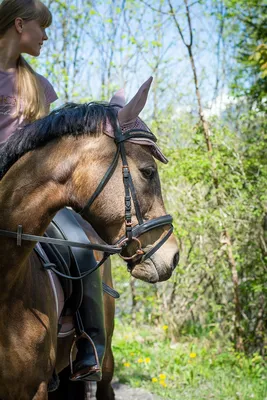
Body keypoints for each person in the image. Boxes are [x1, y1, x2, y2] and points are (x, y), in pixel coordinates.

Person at [0, 0, 106, 382]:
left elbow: (49, 152)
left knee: (79, 242)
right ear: (18, 24)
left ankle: (90, 343)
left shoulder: (40, 87)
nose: (45, 35)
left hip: (37, 194)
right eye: (41, 27)